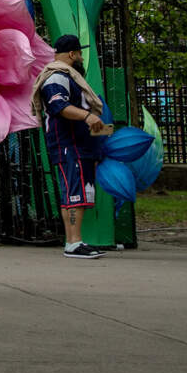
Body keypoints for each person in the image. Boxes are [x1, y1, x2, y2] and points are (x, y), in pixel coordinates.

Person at [37, 34, 112, 258]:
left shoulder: (66, 76)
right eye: (79, 53)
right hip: (69, 145)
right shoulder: (57, 77)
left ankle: (74, 240)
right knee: (73, 191)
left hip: (78, 145)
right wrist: (87, 116)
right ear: (72, 54)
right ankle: (73, 242)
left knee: (74, 191)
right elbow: (58, 105)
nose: (80, 58)